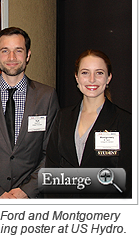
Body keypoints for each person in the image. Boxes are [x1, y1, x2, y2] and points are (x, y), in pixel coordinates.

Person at [0, 27, 59, 198]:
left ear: (28, 55)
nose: (12, 57)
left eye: (18, 51)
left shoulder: (47, 96)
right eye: (5, 51)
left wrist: (27, 190)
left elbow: (51, 151)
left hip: (31, 198)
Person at [45, 49, 132, 198]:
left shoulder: (125, 121)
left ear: (108, 78)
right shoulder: (63, 117)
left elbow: (129, 179)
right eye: (85, 73)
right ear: (76, 77)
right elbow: (52, 170)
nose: (92, 79)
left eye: (99, 73)